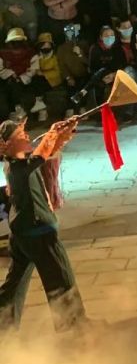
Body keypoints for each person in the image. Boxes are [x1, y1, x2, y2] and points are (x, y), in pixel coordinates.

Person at [0, 116, 89, 332]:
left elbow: (46, 151)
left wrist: (64, 131)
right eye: (21, 135)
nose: (27, 136)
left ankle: (3, 327)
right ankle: (74, 332)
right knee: (60, 279)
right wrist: (51, 133)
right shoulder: (17, 168)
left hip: (22, 233)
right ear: (7, 145)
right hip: (37, 233)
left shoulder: (18, 162)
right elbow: (40, 156)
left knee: (15, 284)